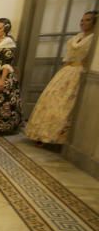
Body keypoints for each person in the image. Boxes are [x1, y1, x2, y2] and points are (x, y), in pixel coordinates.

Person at [26, 11, 97, 144]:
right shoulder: (77, 37)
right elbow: (68, 57)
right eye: (82, 20)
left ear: (94, 22)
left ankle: (60, 137)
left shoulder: (93, 40)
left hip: (80, 73)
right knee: (52, 102)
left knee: (67, 107)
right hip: (66, 72)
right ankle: (41, 134)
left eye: (87, 20)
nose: (83, 22)